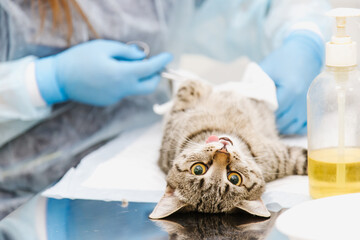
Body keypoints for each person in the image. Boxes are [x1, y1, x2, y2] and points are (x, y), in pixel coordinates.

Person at [0, 0, 330, 219]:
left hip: (123, 181)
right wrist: (39, 81)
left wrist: (304, 38)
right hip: (17, 197)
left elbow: (253, 9)